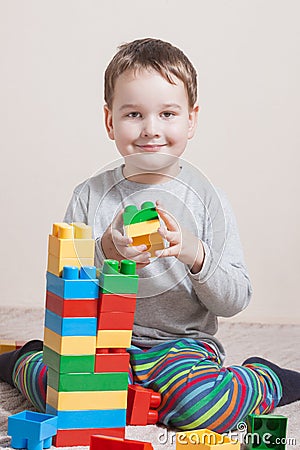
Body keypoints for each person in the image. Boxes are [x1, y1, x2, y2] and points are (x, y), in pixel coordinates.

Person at [1, 38, 299, 433]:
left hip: (183, 347)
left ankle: (266, 378)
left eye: (168, 113)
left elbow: (235, 299)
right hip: (101, 344)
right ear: (110, 121)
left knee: (200, 408)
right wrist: (106, 249)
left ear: (191, 120)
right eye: (134, 114)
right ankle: (23, 359)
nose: (151, 129)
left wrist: (195, 254)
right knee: (70, 397)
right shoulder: (90, 196)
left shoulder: (206, 200)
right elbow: (65, 290)